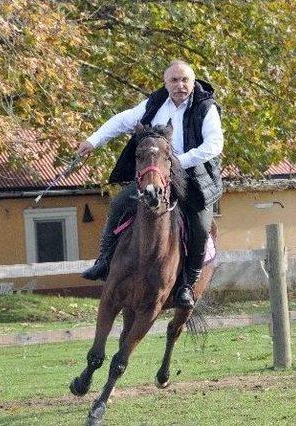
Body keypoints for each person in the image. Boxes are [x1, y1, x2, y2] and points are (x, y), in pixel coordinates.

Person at [76, 60, 223, 309]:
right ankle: (103, 261)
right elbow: (122, 120)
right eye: (174, 80)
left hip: (193, 178)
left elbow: (213, 145)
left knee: (200, 226)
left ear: (193, 81)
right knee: (120, 202)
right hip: (156, 175)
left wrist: (176, 162)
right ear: (166, 83)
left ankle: (188, 283)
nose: (180, 85)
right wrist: (93, 141)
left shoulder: (205, 108)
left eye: (185, 80)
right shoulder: (154, 104)